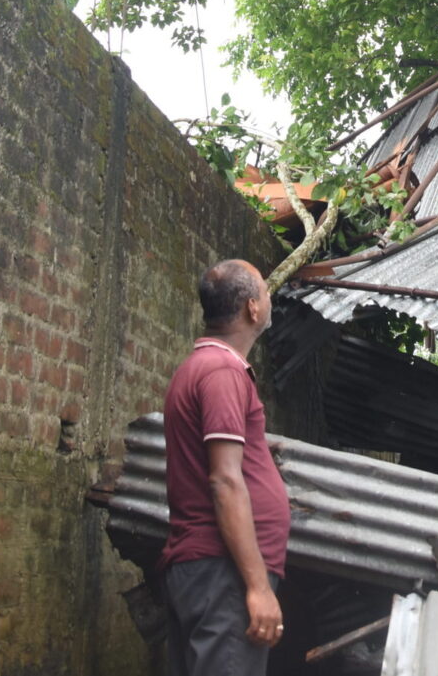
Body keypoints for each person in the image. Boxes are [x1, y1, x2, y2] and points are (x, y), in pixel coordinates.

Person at [160, 259, 291, 674]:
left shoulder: (205, 368)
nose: (269, 300)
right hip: (224, 572)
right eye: (266, 293)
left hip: (215, 569)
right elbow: (224, 481)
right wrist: (256, 587)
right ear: (253, 308)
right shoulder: (221, 373)